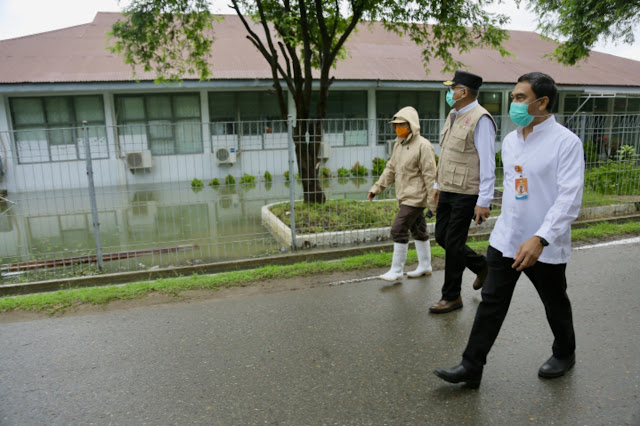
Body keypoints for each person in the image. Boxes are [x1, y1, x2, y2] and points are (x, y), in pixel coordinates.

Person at [433, 72, 585, 388]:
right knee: (491, 302)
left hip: (542, 243)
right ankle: (471, 366)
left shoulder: (566, 143)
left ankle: (565, 352)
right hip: (507, 239)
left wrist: (540, 238)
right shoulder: (512, 140)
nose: (513, 103)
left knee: (553, 300)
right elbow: (515, 188)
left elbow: (569, 199)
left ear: (542, 102)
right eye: (513, 97)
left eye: (520, 98)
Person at [429, 70, 497, 314]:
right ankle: (481, 265)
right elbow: (447, 152)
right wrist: (437, 185)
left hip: (468, 191)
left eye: (452, 88)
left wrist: (484, 201)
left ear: (463, 92)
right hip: (448, 187)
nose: (450, 92)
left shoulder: (481, 119)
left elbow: (488, 163)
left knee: (454, 242)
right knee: (442, 237)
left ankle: (452, 296)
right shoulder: (454, 114)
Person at [368, 106, 438, 282]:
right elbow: (390, 169)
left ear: (411, 125)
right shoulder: (399, 145)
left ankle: (396, 270)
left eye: (401, 124)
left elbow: (430, 176)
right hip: (405, 195)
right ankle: (425, 266)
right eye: (395, 125)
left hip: (416, 198)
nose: (397, 128)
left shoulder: (423, 146)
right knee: (418, 229)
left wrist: (433, 203)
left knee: (398, 229)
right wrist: (376, 188)